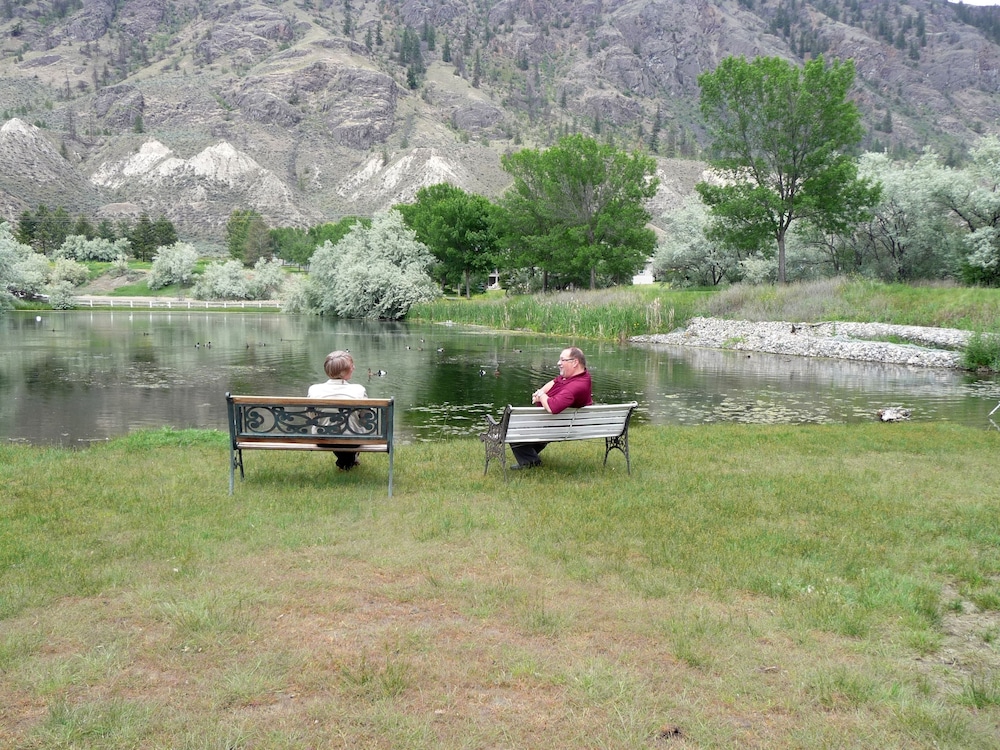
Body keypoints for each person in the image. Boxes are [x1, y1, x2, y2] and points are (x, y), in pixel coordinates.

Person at [510, 346, 593, 469]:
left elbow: (552, 407)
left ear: (575, 362)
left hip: (557, 427)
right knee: (523, 424)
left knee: (513, 427)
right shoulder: (579, 377)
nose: (558, 363)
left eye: (563, 360)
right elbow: (555, 381)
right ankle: (529, 457)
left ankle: (531, 462)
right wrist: (540, 392)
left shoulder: (577, 386)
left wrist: (542, 396)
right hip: (557, 424)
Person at [308, 350, 367, 471]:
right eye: (351, 366)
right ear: (344, 372)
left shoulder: (314, 390)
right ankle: (347, 462)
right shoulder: (358, 390)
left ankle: (346, 462)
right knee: (354, 429)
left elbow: (311, 416)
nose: (354, 368)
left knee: (333, 427)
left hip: (323, 438)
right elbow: (366, 418)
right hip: (352, 439)